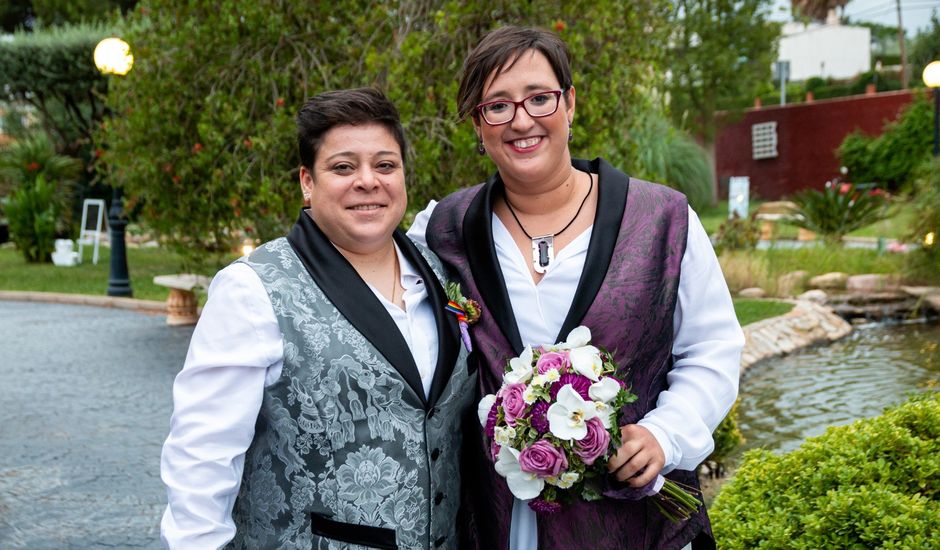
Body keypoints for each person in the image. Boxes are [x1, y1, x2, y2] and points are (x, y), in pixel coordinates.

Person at [407, 26, 744, 549]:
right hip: (505, 520)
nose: (521, 120)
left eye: (539, 98)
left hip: (640, 519)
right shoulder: (443, 228)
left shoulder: (663, 220)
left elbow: (713, 349)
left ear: (569, 104)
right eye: (497, 105)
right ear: (479, 124)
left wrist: (665, 434)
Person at [160, 88, 477, 549]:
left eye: (385, 165)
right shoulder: (253, 290)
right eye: (343, 167)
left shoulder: (441, 270)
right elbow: (201, 458)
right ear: (307, 181)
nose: (368, 181)